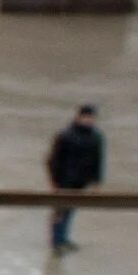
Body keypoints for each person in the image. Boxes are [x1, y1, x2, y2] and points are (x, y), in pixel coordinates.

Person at [47, 106, 104, 253]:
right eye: (86, 117)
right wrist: (54, 181)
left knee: (71, 210)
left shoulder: (96, 137)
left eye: (91, 118)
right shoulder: (65, 135)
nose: (89, 120)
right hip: (64, 180)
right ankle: (56, 242)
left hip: (81, 181)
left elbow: (98, 160)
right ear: (79, 117)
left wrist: (97, 181)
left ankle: (64, 238)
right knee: (60, 211)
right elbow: (53, 160)